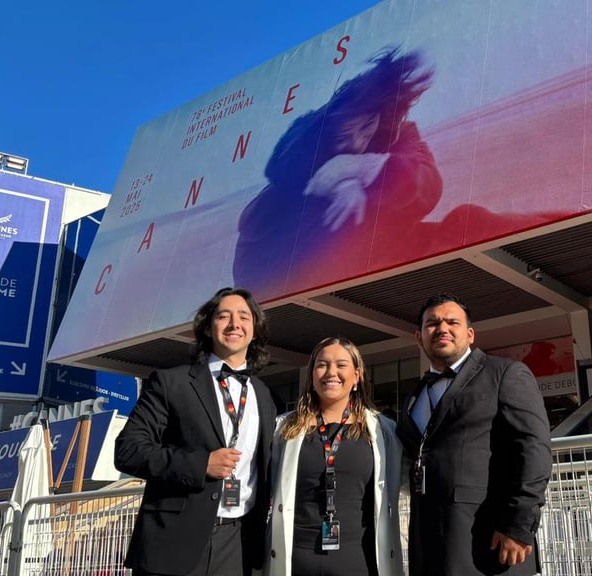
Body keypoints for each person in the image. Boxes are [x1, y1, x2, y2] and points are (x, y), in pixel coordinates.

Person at [234, 47, 441, 299]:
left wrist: (362, 167)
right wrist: (340, 183)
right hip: (278, 274)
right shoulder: (306, 139)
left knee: (468, 223)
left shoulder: (399, 134)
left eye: (367, 126)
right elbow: (284, 163)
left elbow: (429, 186)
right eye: (343, 137)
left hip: (369, 266)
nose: (356, 143)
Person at [115, 287, 278, 576]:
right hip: (173, 542)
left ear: (255, 330)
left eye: (244, 317)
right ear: (207, 327)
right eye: (223, 316)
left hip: (239, 544)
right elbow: (128, 450)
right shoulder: (171, 382)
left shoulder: (264, 395)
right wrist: (201, 464)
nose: (234, 324)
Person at [397, 294, 552, 575]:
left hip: (489, 543)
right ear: (419, 337)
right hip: (428, 548)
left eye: (452, 322)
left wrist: (518, 525)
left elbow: (533, 449)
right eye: (432, 324)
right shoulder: (413, 397)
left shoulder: (505, 373)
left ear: (470, 334)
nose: (442, 329)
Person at [269, 337, 402, 576]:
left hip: (359, 561)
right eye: (322, 365)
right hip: (296, 559)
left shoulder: (384, 430)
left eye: (341, 365)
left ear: (357, 376)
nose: (331, 372)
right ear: (311, 375)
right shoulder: (283, 429)